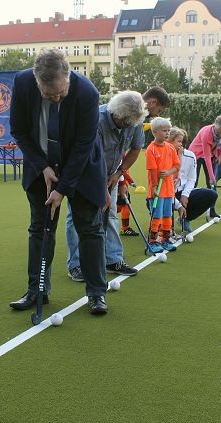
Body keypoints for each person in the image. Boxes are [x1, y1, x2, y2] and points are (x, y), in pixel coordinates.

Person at [9, 48, 109, 315]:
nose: (55, 98)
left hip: (81, 167)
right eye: (48, 94)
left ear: (68, 76)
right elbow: (18, 129)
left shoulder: (87, 93)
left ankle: (96, 293)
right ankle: (37, 289)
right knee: (40, 228)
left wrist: (62, 188)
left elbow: (83, 145)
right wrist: (42, 166)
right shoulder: (22, 83)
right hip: (40, 165)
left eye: (60, 93)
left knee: (89, 228)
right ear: (37, 81)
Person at [65, 90, 146, 282]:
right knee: (78, 217)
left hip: (112, 173)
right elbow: (91, 158)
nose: (129, 126)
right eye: (126, 122)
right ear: (117, 114)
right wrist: (102, 190)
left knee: (110, 215)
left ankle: (112, 260)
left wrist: (119, 174)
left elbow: (136, 149)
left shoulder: (134, 121)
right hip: (84, 172)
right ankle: (76, 265)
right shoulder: (96, 120)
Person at [168, 127, 218, 233]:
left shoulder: (190, 156)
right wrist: (178, 205)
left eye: (181, 142)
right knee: (167, 228)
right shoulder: (163, 156)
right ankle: (161, 222)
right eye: (178, 141)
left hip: (181, 192)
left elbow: (191, 179)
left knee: (211, 194)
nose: (180, 145)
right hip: (166, 194)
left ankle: (185, 219)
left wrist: (185, 195)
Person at [145, 117, 180, 253]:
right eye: (164, 131)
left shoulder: (170, 148)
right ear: (155, 132)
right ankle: (152, 241)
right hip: (157, 190)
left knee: (167, 215)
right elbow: (152, 170)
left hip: (169, 189)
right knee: (156, 215)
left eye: (168, 131)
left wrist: (169, 172)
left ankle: (166, 239)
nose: (167, 133)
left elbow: (177, 166)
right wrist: (154, 187)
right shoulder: (151, 149)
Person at [188, 115, 221, 219]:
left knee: (212, 185)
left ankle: (212, 210)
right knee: (194, 182)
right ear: (215, 126)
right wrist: (211, 176)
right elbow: (206, 156)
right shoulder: (207, 133)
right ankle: (188, 208)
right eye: (219, 132)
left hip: (211, 154)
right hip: (196, 154)